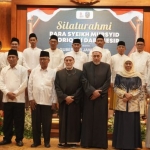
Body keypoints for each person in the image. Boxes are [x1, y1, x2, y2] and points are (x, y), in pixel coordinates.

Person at [81, 46, 111, 149]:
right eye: (94, 56)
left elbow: (107, 82)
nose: (96, 58)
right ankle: (87, 143)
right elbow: (84, 80)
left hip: (101, 98)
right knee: (88, 120)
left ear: (101, 56)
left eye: (98, 56)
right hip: (89, 98)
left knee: (100, 120)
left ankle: (100, 144)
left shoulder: (107, 67)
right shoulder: (85, 66)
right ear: (91, 56)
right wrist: (92, 92)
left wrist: (98, 93)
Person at [28, 51, 57, 148]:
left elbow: (54, 88)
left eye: (44, 59)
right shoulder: (34, 71)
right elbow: (30, 85)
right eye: (41, 59)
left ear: (49, 60)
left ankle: (47, 142)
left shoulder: (53, 72)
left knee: (47, 124)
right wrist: (31, 99)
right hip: (35, 102)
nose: (42, 61)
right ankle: (36, 141)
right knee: (35, 123)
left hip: (47, 102)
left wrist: (54, 101)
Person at [112, 57, 142, 149]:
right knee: (122, 123)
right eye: (126, 63)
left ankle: (132, 144)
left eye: (130, 64)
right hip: (122, 102)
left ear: (132, 64)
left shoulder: (137, 75)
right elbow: (116, 87)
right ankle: (120, 144)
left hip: (133, 103)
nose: (128, 65)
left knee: (131, 123)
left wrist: (130, 96)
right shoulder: (119, 75)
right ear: (124, 64)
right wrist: (124, 94)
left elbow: (139, 88)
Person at [0, 49, 28, 147]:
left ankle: (19, 139)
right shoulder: (4, 70)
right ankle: (7, 138)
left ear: (17, 58)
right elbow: (1, 83)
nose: (11, 59)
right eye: (9, 57)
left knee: (19, 120)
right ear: (7, 58)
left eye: (13, 57)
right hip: (7, 99)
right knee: (7, 120)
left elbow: (24, 84)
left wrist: (15, 94)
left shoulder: (23, 70)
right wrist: (7, 93)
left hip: (19, 100)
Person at [55, 53, 83, 148]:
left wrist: (73, 97)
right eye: (66, 60)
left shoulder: (79, 73)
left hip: (75, 102)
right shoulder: (59, 73)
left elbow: (81, 87)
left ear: (73, 61)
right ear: (64, 62)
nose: (68, 62)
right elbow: (57, 87)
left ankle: (73, 141)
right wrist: (64, 97)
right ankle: (63, 141)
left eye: (70, 60)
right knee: (63, 121)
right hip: (64, 101)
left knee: (74, 121)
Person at [130, 37, 150, 117]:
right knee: (133, 98)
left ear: (144, 45)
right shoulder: (132, 55)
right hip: (133, 80)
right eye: (138, 44)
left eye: (141, 44)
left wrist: (147, 82)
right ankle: (133, 115)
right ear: (136, 45)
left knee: (142, 99)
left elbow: (149, 69)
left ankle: (142, 117)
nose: (140, 46)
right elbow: (129, 68)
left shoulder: (148, 55)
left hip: (143, 80)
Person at [110, 41, 128, 109]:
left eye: (123, 47)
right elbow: (110, 70)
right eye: (119, 47)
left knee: (123, 97)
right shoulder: (112, 57)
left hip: (125, 81)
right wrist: (111, 81)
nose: (121, 48)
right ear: (117, 48)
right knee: (115, 99)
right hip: (115, 80)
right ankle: (114, 113)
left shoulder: (127, 58)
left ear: (125, 48)